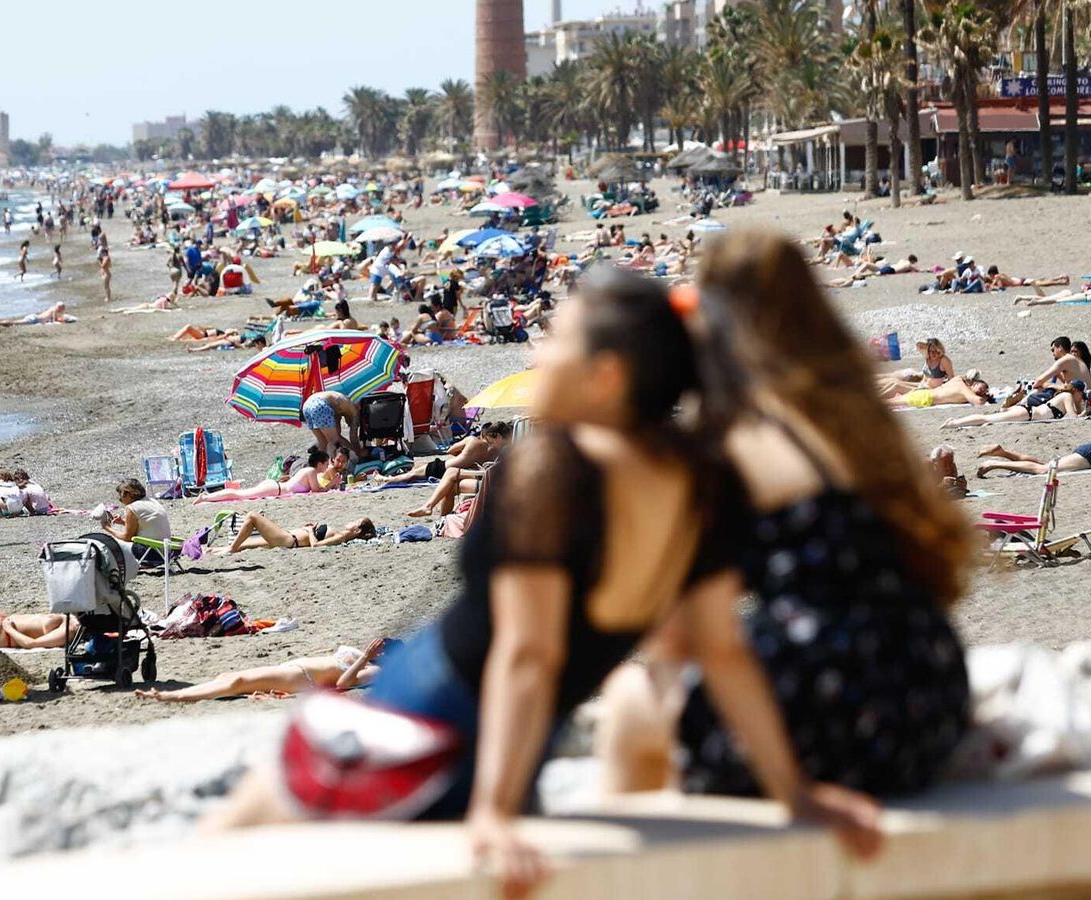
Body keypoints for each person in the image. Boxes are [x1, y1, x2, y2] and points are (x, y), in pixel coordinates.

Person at [205, 268, 882, 894]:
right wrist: (792, 791)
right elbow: (721, 650)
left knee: (213, 855)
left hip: (408, 745)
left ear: (606, 376)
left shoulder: (552, 471)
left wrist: (493, 813)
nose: (535, 352)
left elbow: (528, 654)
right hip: (503, 756)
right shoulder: (695, 483)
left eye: (554, 338)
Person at [596, 231, 969, 839]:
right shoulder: (858, 416)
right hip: (929, 694)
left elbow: (686, 637)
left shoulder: (728, 437)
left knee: (633, 696)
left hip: (832, 713)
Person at [136, 639, 391, 702]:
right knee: (227, 678)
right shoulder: (362, 657)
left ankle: (174, 696)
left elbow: (343, 684)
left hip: (300, 677)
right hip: (293, 669)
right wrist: (363, 655)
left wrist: (366, 658)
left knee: (237, 681)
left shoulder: (376, 671)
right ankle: (188, 693)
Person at [382, 422, 510, 487]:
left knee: (412, 475)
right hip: (459, 471)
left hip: (444, 467)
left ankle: (386, 479)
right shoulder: (497, 453)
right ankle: (390, 478)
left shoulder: (472, 440)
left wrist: (463, 455)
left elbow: (450, 450)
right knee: (417, 470)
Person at [195, 449, 337, 503]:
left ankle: (207, 497)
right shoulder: (311, 471)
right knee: (240, 495)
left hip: (275, 487)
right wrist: (332, 484)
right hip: (275, 489)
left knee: (240, 494)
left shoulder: (309, 471)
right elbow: (316, 490)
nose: (326, 467)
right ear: (320, 463)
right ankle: (206, 497)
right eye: (326, 464)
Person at [941, 380, 1086, 427]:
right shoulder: (1067, 395)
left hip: (1029, 413)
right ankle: (954, 423)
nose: (1082, 398)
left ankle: (956, 422)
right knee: (988, 419)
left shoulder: (1064, 395)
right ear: (1077, 392)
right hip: (1028, 413)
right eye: (1082, 395)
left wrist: (1082, 409)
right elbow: (1073, 418)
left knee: (990, 419)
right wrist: (1084, 412)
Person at [221, 512, 375, 553]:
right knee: (242, 545)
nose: (352, 520)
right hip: (287, 536)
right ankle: (211, 551)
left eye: (356, 521)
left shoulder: (341, 537)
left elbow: (317, 546)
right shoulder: (339, 533)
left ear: (357, 530)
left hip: (289, 540)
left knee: (252, 516)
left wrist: (309, 532)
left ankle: (230, 549)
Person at [104, 477, 171, 563]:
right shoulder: (151, 501)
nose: (121, 500)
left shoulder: (132, 508)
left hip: (153, 553)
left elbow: (127, 537)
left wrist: (107, 528)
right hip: (167, 550)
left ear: (129, 494)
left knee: (115, 543)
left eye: (121, 497)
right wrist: (123, 522)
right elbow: (146, 525)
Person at [299, 390, 360, 456]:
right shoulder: (354, 412)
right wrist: (357, 451)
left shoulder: (337, 406)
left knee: (323, 442)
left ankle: (317, 463)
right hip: (319, 405)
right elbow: (353, 436)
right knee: (335, 441)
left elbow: (337, 431)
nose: (348, 424)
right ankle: (355, 456)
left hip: (307, 405)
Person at [883, 376, 991, 408]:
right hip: (925, 397)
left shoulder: (958, 380)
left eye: (983, 392)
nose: (981, 392)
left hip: (923, 393)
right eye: (981, 389)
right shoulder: (964, 390)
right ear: (974, 384)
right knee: (888, 403)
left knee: (890, 401)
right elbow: (979, 402)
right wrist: (986, 397)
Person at [0, 302, 76, 327]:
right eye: (62, 310)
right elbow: (54, 321)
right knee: (14, 322)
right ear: (60, 308)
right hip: (34, 319)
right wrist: (63, 321)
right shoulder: (54, 311)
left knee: (15, 323)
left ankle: (0, 324)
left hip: (34, 317)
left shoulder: (51, 308)